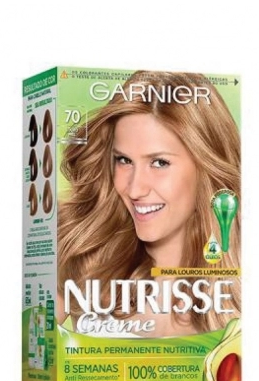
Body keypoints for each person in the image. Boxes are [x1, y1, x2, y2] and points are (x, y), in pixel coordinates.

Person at [56, 70, 241, 337]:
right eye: (124, 160)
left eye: (159, 162)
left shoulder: (241, 287)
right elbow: (32, 348)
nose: (134, 189)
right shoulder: (81, 254)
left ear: (206, 167)